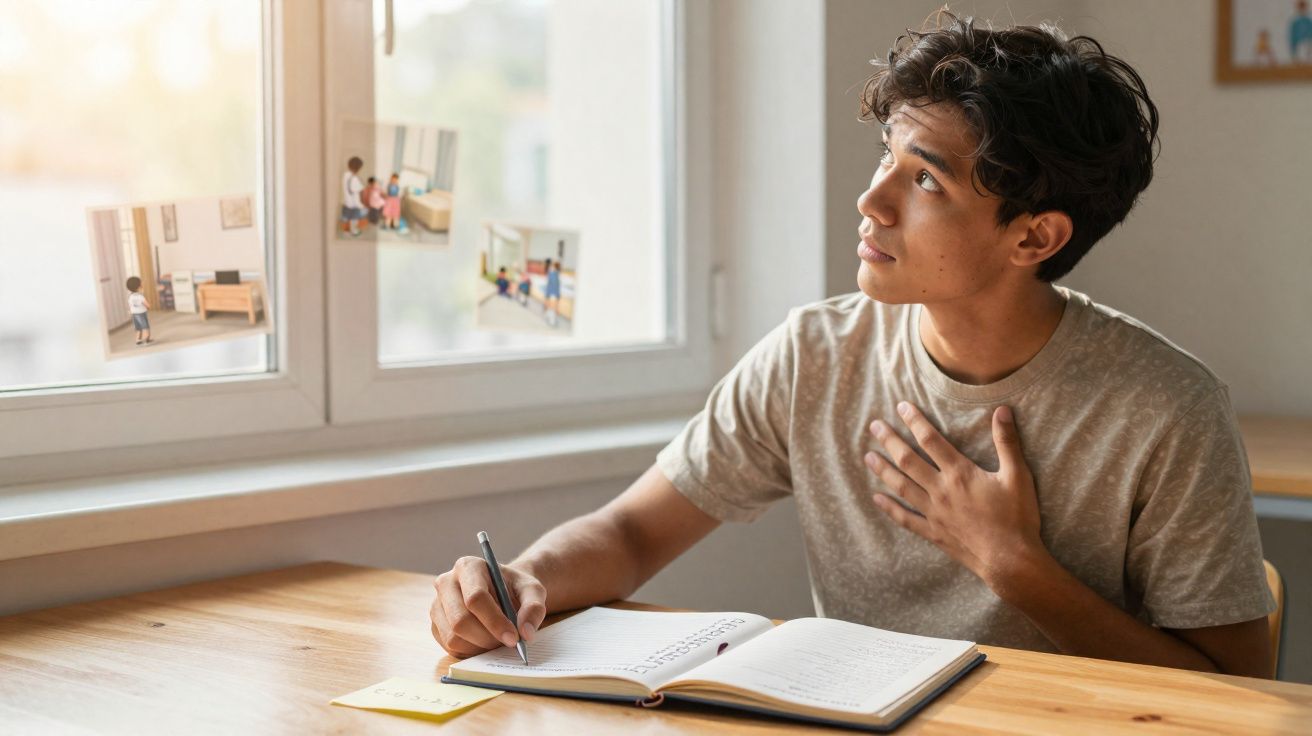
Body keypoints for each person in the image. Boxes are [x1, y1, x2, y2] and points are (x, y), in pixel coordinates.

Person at [429, 11, 1275, 677]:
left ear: (1033, 238)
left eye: (925, 179)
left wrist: (1014, 566)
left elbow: (1237, 694)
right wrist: (521, 581)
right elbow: (633, 535)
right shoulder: (814, 355)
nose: (871, 201)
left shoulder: (1169, 410)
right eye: (886, 157)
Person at [340, 156, 365, 236]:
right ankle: (354, 231)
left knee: (346, 217)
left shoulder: (345, 175)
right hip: (354, 204)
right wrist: (360, 205)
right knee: (354, 218)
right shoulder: (355, 179)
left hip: (346, 202)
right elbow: (356, 194)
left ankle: (346, 232)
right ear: (358, 168)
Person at [125, 276, 152, 346]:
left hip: (134, 314)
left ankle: (138, 340)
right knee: (145, 327)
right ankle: (146, 340)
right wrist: (148, 307)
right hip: (141, 314)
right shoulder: (140, 296)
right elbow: (147, 305)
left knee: (138, 328)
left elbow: (131, 305)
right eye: (141, 283)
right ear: (139, 286)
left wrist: (131, 311)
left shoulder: (130, 297)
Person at [543, 261, 562, 326]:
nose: (551, 267)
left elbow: (552, 285)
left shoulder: (553, 274)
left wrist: (548, 294)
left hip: (552, 293)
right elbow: (554, 286)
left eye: (552, 266)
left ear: (554, 267)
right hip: (553, 293)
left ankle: (552, 320)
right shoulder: (555, 274)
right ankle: (551, 319)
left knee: (551, 307)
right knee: (552, 307)